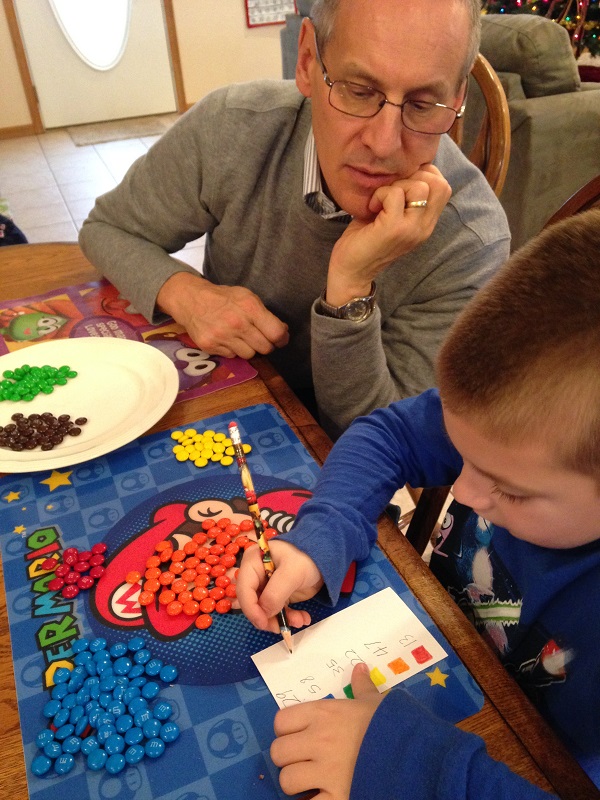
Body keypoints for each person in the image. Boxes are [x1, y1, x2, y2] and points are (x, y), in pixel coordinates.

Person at [237, 209, 600, 800]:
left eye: (509, 489)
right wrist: (319, 536)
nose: (464, 492)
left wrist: (415, 768)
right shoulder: (522, 435)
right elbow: (389, 435)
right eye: (461, 456)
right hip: (446, 646)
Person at [79, 0, 510, 436]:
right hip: (220, 407)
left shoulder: (471, 241)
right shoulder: (232, 128)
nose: (383, 143)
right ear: (307, 61)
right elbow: (108, 228)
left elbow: (378, 446)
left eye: (422, 105)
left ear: (456, 101)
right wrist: (189, 295)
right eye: (358, 90)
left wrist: (350, 286)